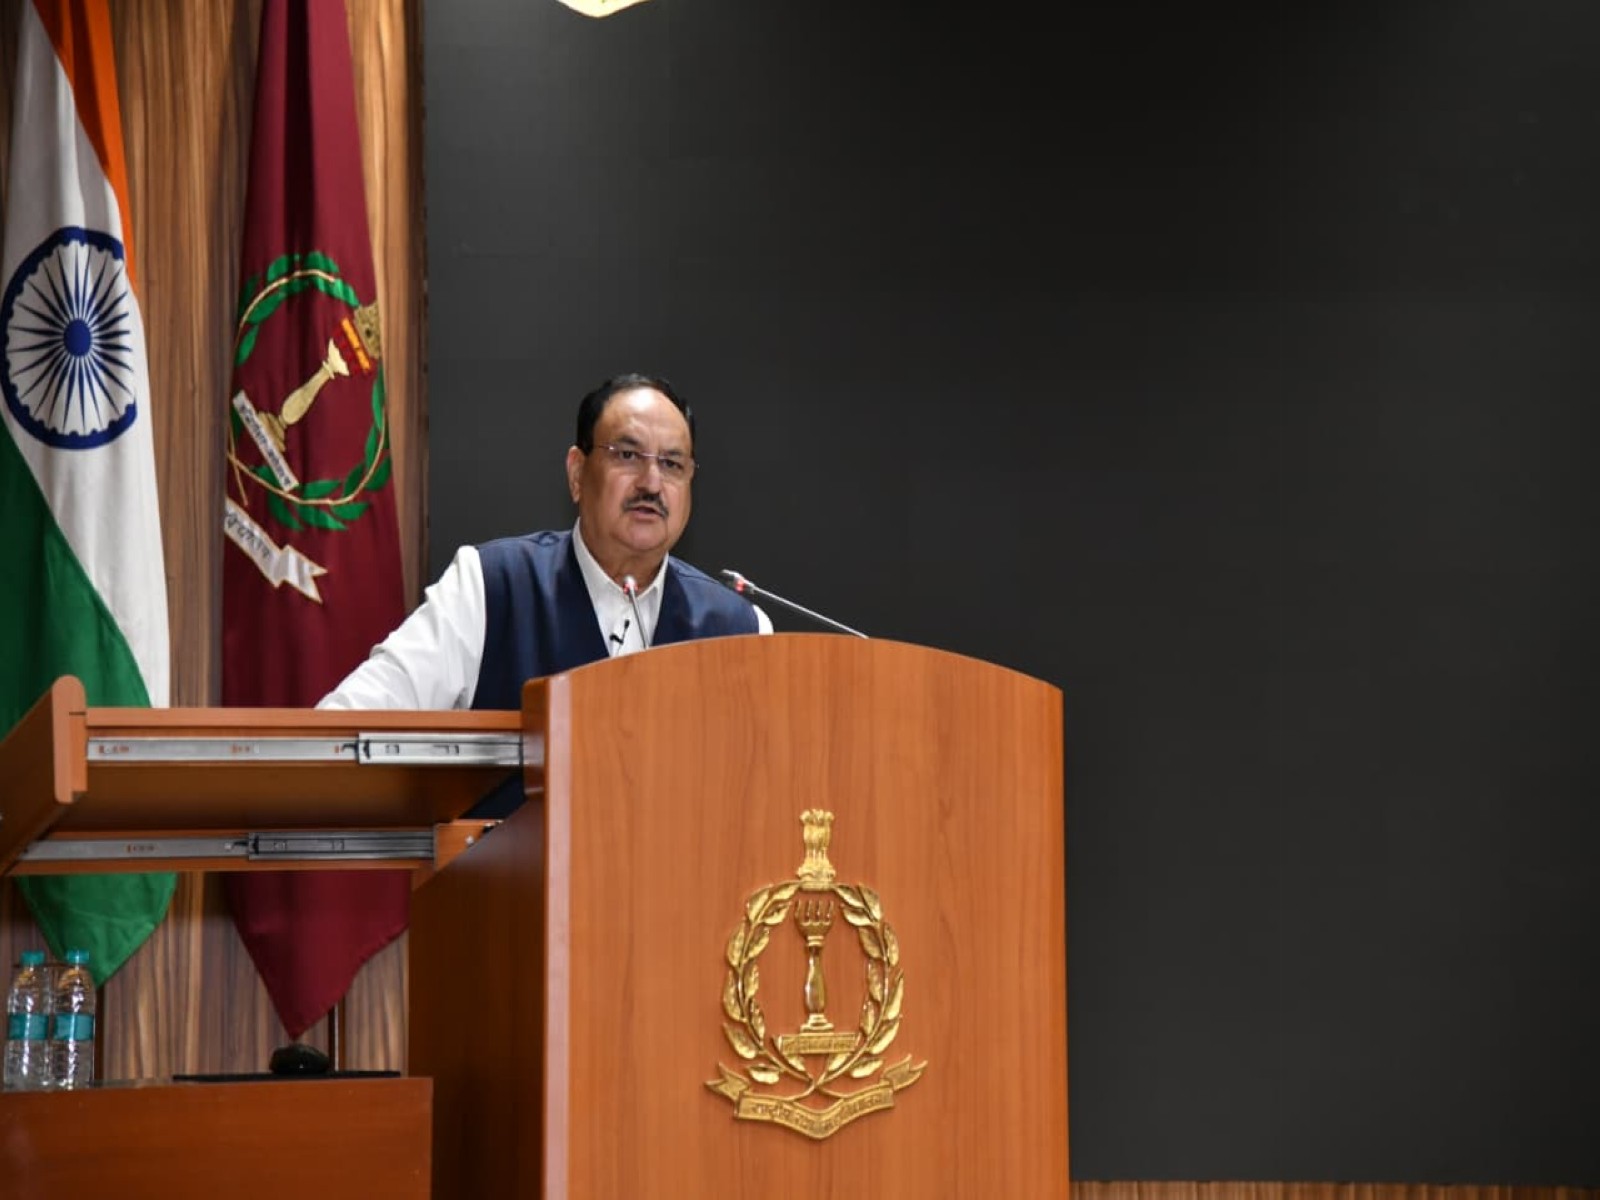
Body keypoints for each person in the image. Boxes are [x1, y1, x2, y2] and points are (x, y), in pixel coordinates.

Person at [320, 372, 770, 713]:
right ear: (577, 473)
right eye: (628, 455)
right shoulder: (490, 587)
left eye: (672, 464)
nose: (651, 482)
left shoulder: (740, 628)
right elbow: (350, 724)